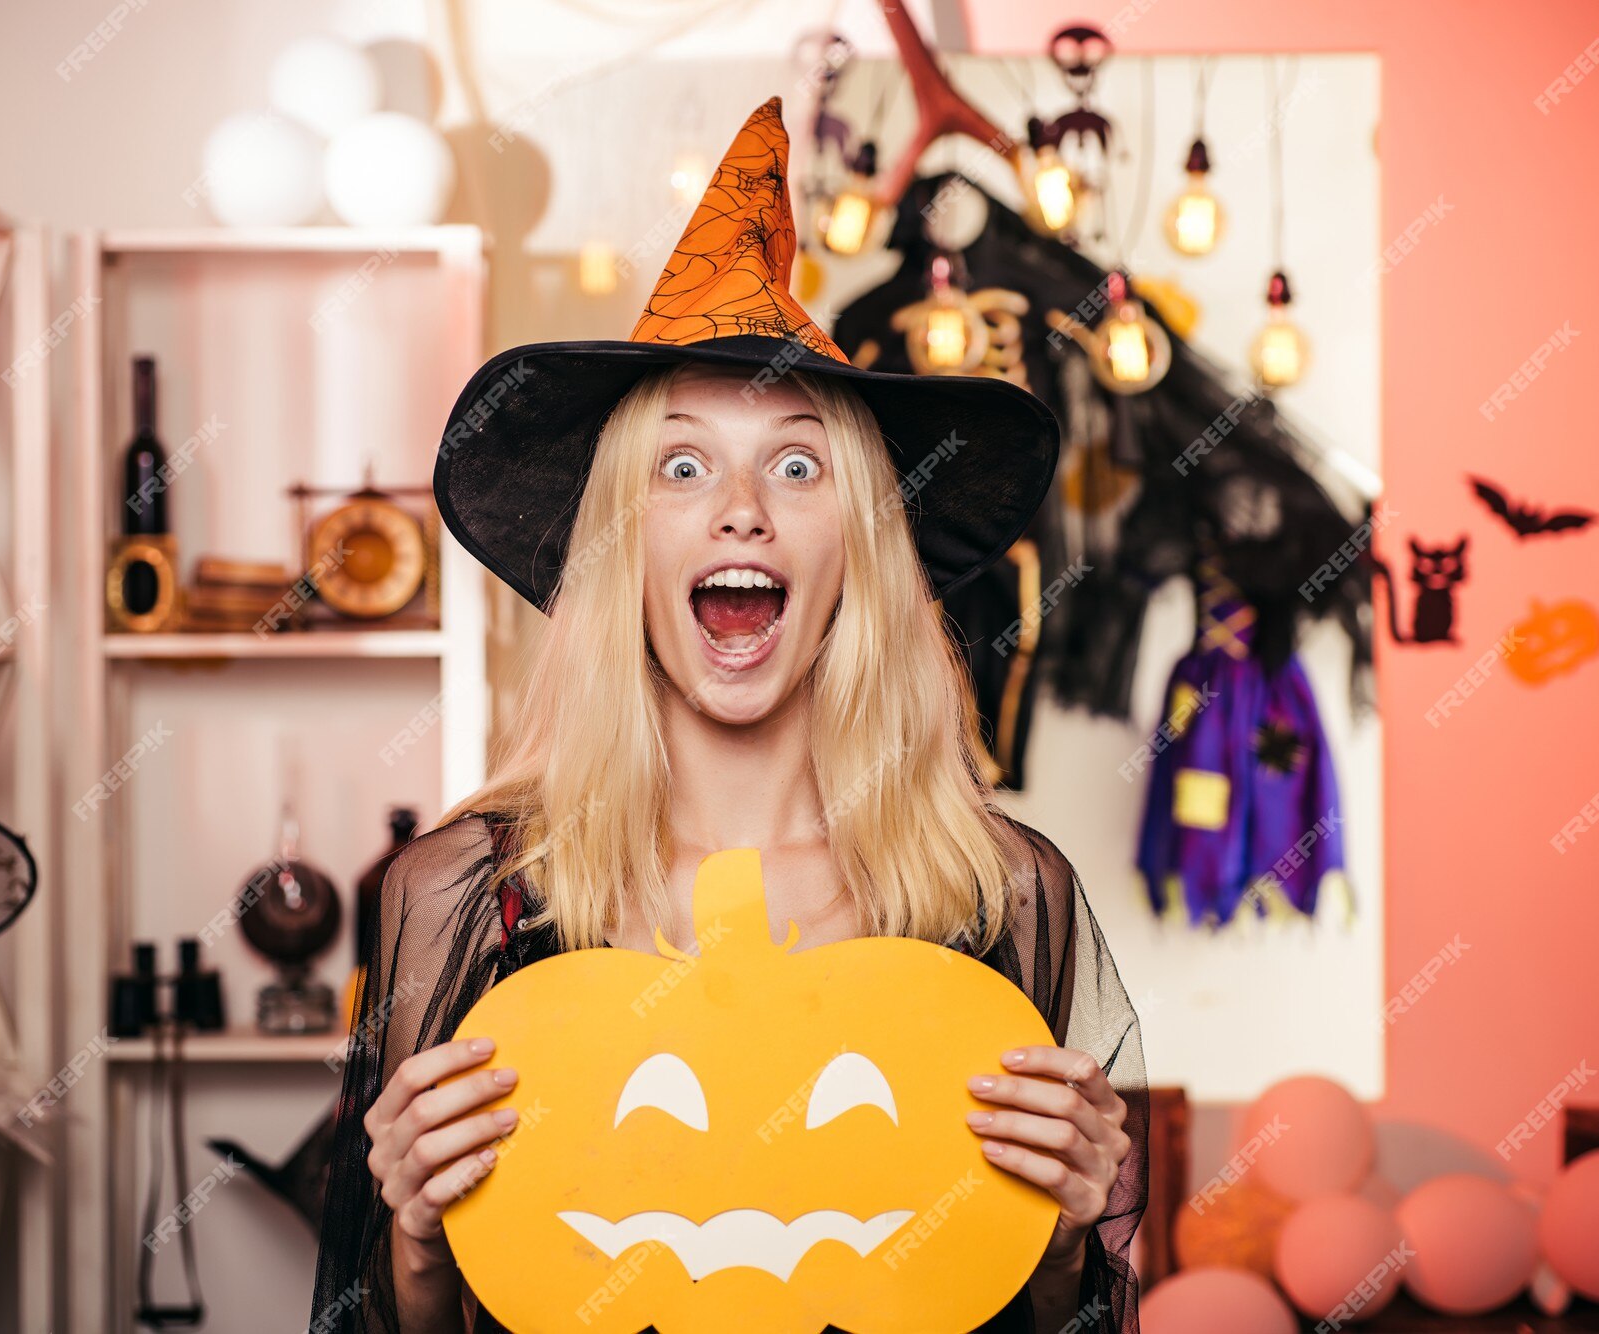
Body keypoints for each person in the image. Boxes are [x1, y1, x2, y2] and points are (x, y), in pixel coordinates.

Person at [311, 97, 1147, 1334]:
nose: (741, 510)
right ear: (618, 545)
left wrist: (1067, 1234)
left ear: (859, 547)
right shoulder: (464, 893)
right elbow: (406, 1320)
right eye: (683, 465)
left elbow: (1017, 1309)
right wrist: (422, 1234)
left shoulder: (997, 892)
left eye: (798, 465)